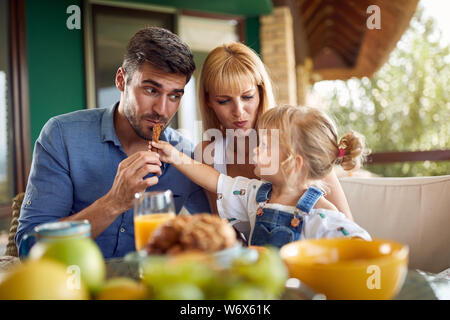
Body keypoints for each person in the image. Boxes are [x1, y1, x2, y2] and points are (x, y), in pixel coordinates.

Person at [15, 27, 211, 258]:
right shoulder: (61, 136)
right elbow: (30, 248)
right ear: (121, 80)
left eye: (174, 96)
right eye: (151, 90)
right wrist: (113, 202)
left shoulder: (186, 156)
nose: (162, 110)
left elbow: (220, 233)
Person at [151, 105, 371, 248]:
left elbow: (360, 242)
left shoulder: (320, 213)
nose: (256, 150)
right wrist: (174, 156)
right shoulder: (256, 194)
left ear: (293, 164)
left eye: (265, 146)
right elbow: (214, 179)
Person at [196, 42, 354, 239]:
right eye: (224, 101)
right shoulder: (210, 153)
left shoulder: (298, 140)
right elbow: (226, 235)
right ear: (208, 101)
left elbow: (347, 230)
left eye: (247, 96)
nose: (238, 111)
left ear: (261, 93)